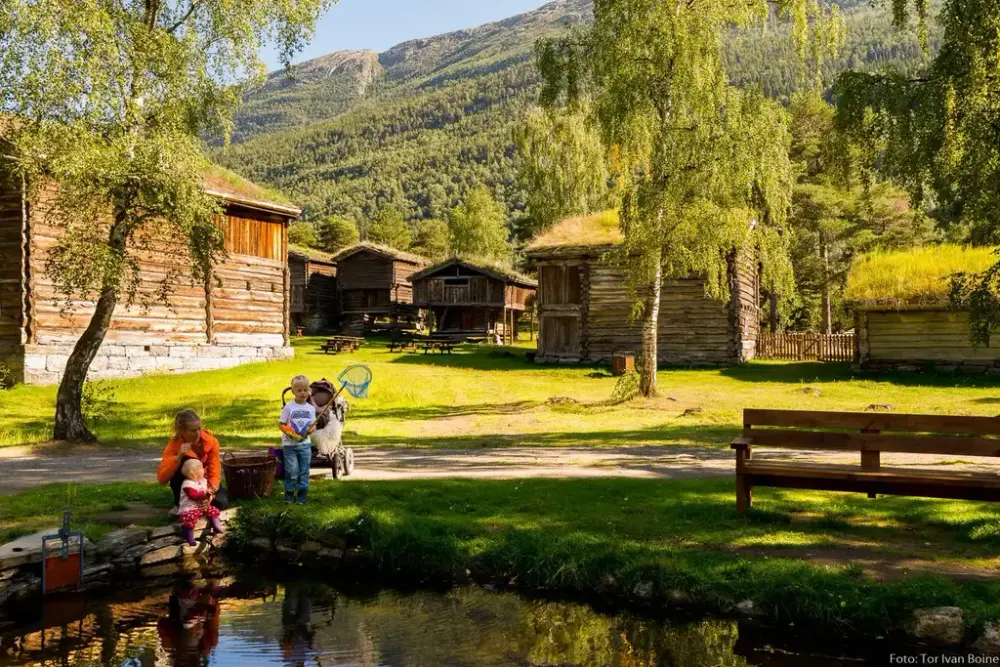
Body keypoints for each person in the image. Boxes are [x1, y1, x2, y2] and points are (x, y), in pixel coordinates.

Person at [158, 409, 228, 515]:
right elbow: (162, 479)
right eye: (193, 430)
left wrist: (209, 494)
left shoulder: (211, 442)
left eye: (199, 428)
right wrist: (178, 457)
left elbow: (215, 472)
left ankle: (199, 503)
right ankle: (181, 503)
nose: (198, 433)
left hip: (205, 482)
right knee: (191, 463)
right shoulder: (174, 445)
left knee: (221, 503)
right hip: (186, 483)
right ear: (182, 431)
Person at [279, 375, 315, 504]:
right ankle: (288, 496)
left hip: (305, 445)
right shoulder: (289, 407)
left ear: (309, 391)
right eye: (299, 390)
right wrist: (289, 432)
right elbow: (281, 424)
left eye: (305, 390)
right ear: (293, 391)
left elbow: (313, 425)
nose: (303, 393)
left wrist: (310, 430)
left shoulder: (311, 409)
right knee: (292, 472)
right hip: (290, 446)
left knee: (304, 472)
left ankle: (302, 497)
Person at [177, 459, 224, 546]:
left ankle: (217, 526)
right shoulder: (187, 485)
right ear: (195, 473)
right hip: (190, 508)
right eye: (202, 468)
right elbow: (194, 496)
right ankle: (188, 535)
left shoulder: (202, 480)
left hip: (201, 506)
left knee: (213, 510)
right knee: (190, 518)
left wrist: (211, 492)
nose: (204, 469)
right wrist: (205, 493)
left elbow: (208, 490)